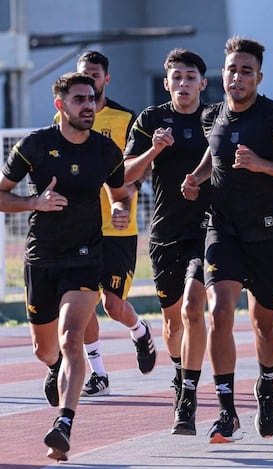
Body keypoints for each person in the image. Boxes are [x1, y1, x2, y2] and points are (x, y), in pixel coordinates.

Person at [181, 36, 273, 444]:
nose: (237, 77)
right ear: (221, 75)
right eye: (231, 70)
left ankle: (266, 385)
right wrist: (197, 177)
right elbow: (214, 152)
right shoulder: (211, 115)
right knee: (219, 312)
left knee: (265, 326)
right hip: (222, 229)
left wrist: (262, 165)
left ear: (259, 76)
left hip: (269, 235)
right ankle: (227, 410)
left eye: (246, 71)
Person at [0, 72, 128, 460]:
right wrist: (33, 203)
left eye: (91, 98)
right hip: (41, 257)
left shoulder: (106, 152)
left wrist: (120, 211)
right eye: (79, 100)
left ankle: (64, 423)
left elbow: (120, 194)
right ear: (61, 106)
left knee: (73, 337)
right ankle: (54, 367)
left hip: (86, 257)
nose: (88, 105)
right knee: (45, 349)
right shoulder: (35, 146)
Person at [123, 48, 211, 435]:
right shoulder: (152, 119)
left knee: (195, 306)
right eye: (176, 77)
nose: (183, 83)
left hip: (209, 229)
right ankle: (179, 372)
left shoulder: (216, 117)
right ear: (166, 83)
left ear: (203, 83)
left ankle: (188, 393)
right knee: (173, 317)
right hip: (165, 232)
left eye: (190, 77)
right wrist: (154, 149)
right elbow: (125, 175)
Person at [71, 51, 157, 397]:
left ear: (106, 79)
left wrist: (128, 193)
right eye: (82, 75)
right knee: (85, 301)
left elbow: (141, 165)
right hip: (81, 227)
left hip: (119, 227)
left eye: (94, 75)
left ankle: (140, 331)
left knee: (112, 305)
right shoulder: (67, 117)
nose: (88, 80)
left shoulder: (125, 118)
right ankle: (99, 373)